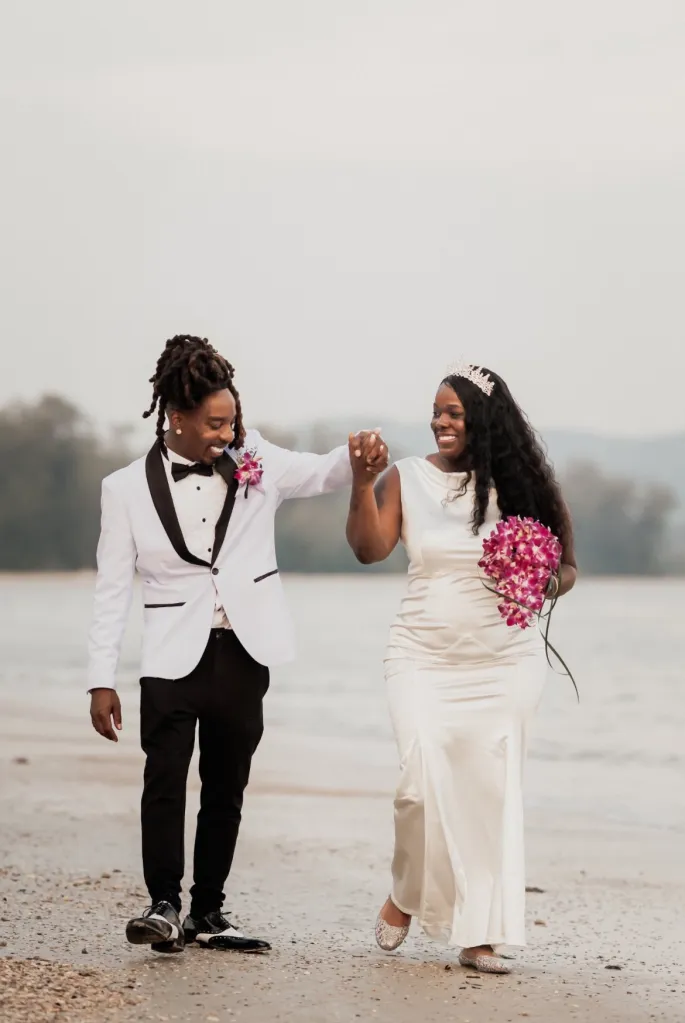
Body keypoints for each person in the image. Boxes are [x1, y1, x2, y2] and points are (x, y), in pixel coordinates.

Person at [87, 334, 387, 955]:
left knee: (227, 786)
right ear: (176, 417)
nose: (227, 434)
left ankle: (208, 911)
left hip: (245, 651)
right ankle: (163, 905)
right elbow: (111, 590)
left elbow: (321, 471)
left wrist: (359, 457)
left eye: (232, 421)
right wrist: (100, 679)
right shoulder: (123, 489)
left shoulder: (256, 460)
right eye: (215, 424)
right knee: (164, 781)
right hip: (169, 656)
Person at [345, 362, 576, 974]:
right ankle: (406, 891)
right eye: (436, 412)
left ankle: (480, 936)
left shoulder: (525, 486)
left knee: (488, 795)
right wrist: (362, 483)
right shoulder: (407, 478)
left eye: (453, 412)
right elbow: (368, 549)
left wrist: (539, 580)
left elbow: (567, 569)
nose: (439, 422)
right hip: (419, 654)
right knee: (417, 785)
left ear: (485, 420)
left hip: (506, 662)